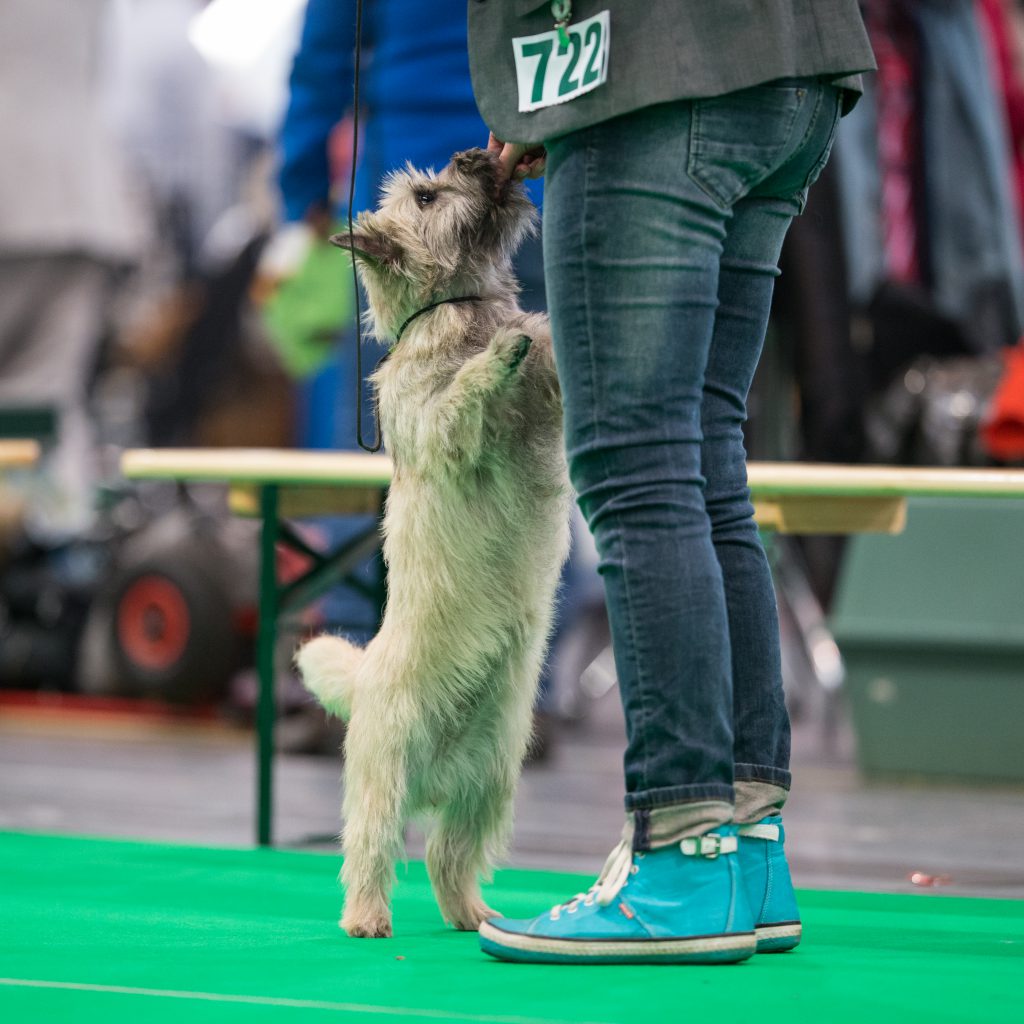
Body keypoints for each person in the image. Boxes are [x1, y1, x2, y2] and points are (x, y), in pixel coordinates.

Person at [468, 1, 875, 964]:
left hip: (651, 69)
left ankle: (682, 857)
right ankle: (745, 848)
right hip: (791, 64)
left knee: (638, 463)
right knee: (700, 453)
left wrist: (550, 74)